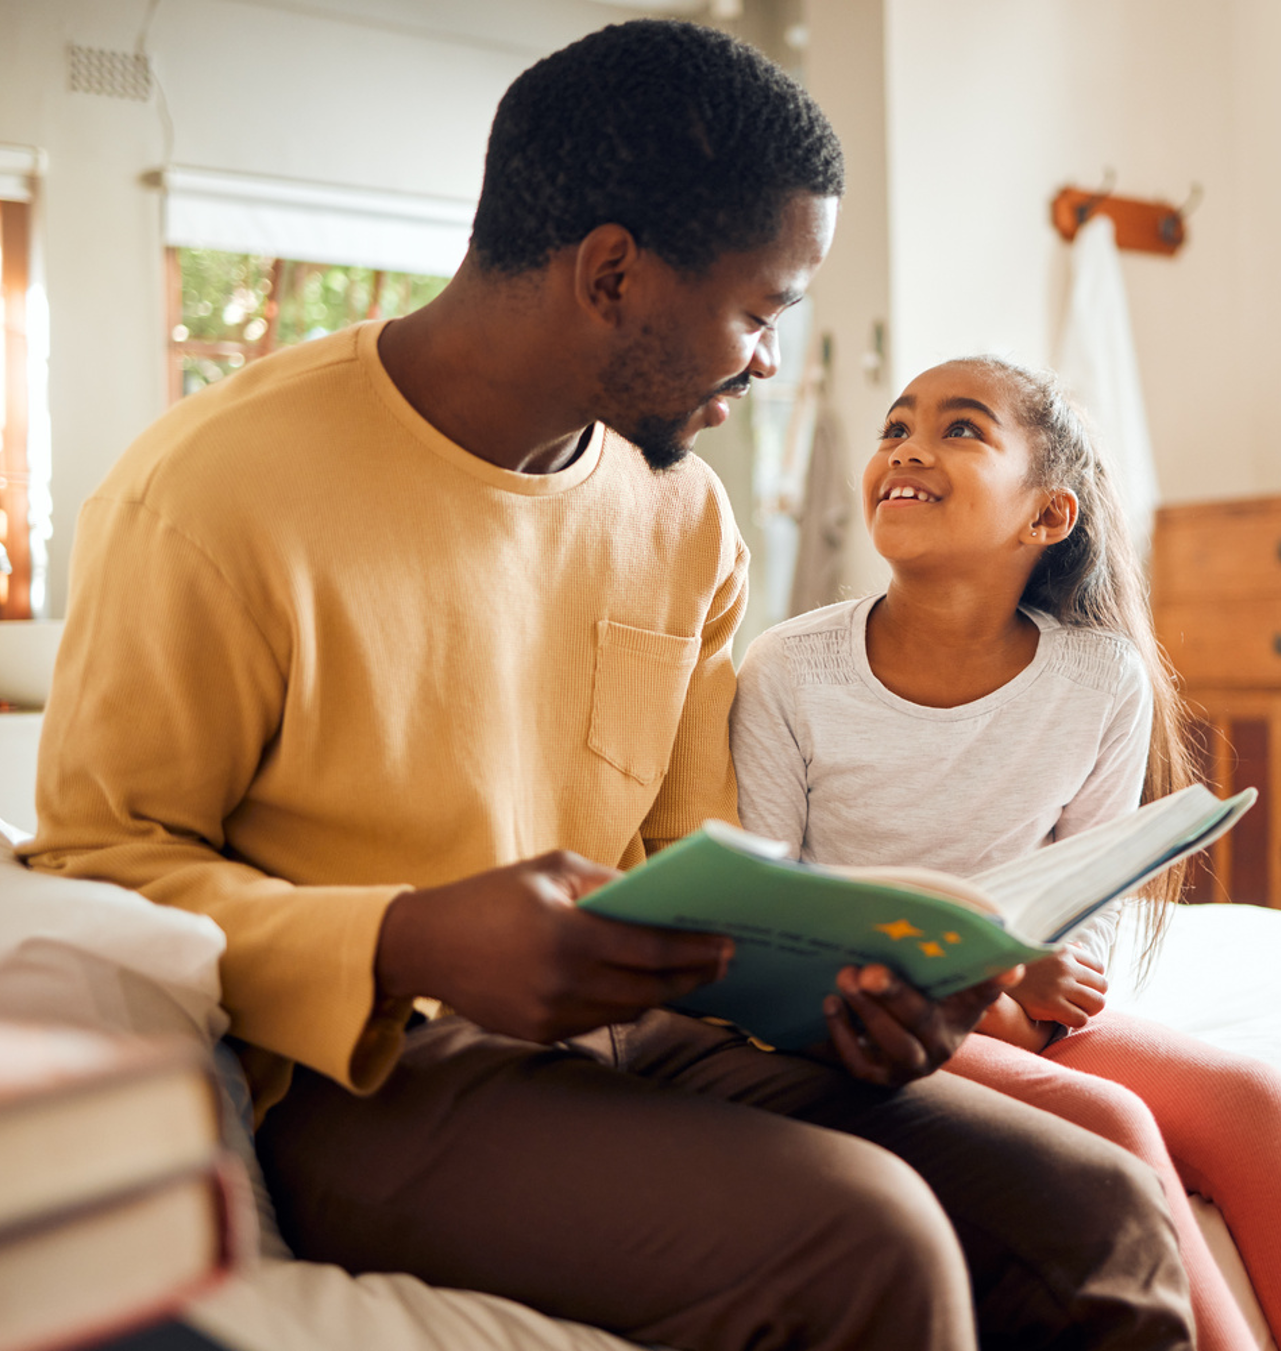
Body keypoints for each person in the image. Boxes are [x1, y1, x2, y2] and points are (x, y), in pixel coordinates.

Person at [22, 22, 1196, 1351]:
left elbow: (694, 855)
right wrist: (405, 934)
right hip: (368, 1074)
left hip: (640, 1029)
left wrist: (853, 991)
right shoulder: (214, 490)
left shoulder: (684, 517)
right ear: (614, 275)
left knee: (1097, 1202)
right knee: (867, 1236)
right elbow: (100, 865)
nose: (766, 362)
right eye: (758, 313)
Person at [731, 354, 1281, 1351]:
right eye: (897, 427)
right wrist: (987, 980)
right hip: (865, 1027)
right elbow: (769, 931)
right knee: (1114, 1128)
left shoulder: (1100, 678)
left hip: (1019, 1013)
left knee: (1255, 1100)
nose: (907, 448)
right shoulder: (787, 672)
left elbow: (1086, 935)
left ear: (1048, 517)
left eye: (962, 429)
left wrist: (1025, 987)